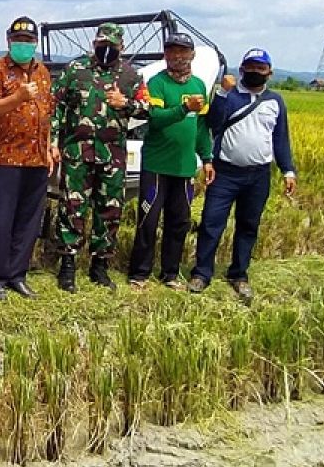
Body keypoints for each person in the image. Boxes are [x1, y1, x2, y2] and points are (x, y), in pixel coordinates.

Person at [189, 48, 296, 303]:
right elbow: (213, 123)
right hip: (225, 172)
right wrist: (224, 92)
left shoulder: (275, 102)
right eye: (250, 67)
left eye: (260, 68)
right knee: (212, 223)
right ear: (242, 69)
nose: (255, 72)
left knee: (248, 226)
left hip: (258, 175)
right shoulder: (229, 96)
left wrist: (288, 171)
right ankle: (202, 273)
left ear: (269, 72)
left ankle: (239, 274)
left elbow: (280, 139)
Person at [52, 22, 149, 292]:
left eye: (112, 46)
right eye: (101, 45)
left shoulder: (131, 76)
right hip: (77, 153)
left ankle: (100, 266)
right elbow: (56, 107)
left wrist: (125, 103)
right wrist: (53, 142)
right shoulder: (75, 70)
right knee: (72, 208)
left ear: (122, 47)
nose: (106, 49)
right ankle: (68, 265)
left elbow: (148, 109)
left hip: (113, 156)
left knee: (109, 210)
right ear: (94, 44)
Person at [126, 32, 212, 290]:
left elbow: (200, 128)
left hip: (184, 167)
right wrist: (184, 108)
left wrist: (207, 158)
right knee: (148, 221)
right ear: (165, 55)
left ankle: (170, 274)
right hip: (156, 165)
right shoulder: (157, 83)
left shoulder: (199, 86)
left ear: (192, 55)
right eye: (172, 51)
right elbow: (156, 118)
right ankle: (139, 274)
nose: (177, 56)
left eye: (182, 51)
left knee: (179, 223)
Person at [0, 17, 55, 301]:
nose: (23, 45)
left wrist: (49, 147)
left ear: (35, 43)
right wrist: (18, 97)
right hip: (6, 158)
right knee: (1, 220)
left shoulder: (43, 72)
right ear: (8, 40)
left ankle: (17, 275)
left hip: (36, 159)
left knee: (28, 221)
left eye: (28, 41)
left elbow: (48, 113)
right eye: (18, 40)